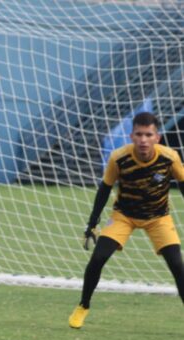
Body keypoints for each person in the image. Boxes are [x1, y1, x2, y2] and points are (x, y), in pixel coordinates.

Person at [69, 112, 184, 328]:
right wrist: (92, 222)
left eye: (148, 134)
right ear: (131, 136)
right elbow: (104, 189)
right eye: (139, 134)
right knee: (98, 258)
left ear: (157, 138)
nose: (143, 140)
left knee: (178, 265)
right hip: (124, 216)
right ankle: (83, 305)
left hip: (158, 217)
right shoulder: (118, 157)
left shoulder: (170, 157)